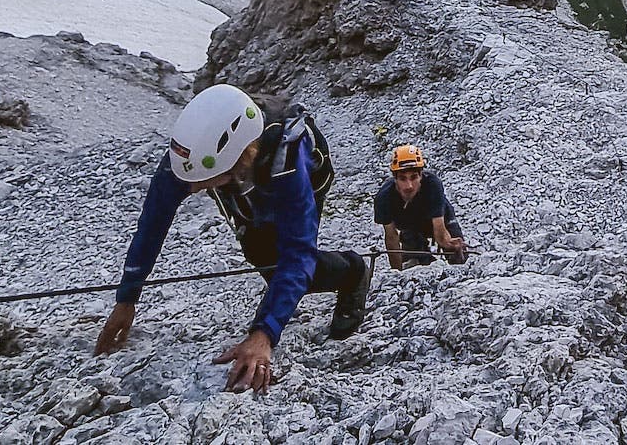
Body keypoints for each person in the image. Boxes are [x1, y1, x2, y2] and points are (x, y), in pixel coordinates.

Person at [93, 85, 373, 391]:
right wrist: (127, 297)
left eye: (200, 183)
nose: (193, 189)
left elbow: (298, 252)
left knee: (288, 263)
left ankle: (352, 271)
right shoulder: (192, 154)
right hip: (243, 176)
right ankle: (281, 301)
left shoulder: (288, 159)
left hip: (298, 182)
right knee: (260, 255)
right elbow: (153, 222)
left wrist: (263, 335)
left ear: (239, 158)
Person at [374, 144, 467, 269]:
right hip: (409, 226)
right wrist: (396, 272)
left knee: (459, 255)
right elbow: (391, 239)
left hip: (440, 219)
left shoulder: (433, 185)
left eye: (414, 178)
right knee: (414, 261)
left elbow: (440, 231)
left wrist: (450, 245)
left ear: (421, 175)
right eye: (403, 179)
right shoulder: (383, 198)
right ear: (395, 178)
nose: (409, 186)